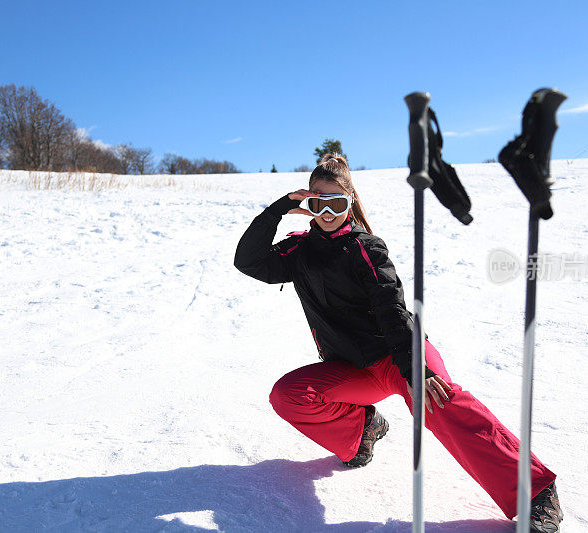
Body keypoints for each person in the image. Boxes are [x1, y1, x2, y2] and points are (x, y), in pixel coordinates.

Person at [233, 153, 563, 532]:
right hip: (353, 367)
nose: (327, 211)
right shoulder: (298, 251)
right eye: (317, 202)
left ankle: (536, 492)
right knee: (288, 394)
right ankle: (362, 432)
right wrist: (278, 208)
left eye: (337, 202)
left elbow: (392, 309)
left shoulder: (365, 248)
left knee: (440, 401)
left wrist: (413, 369)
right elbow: (248, 260)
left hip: (399, 353)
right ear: (307, 203)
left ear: (351, 202)